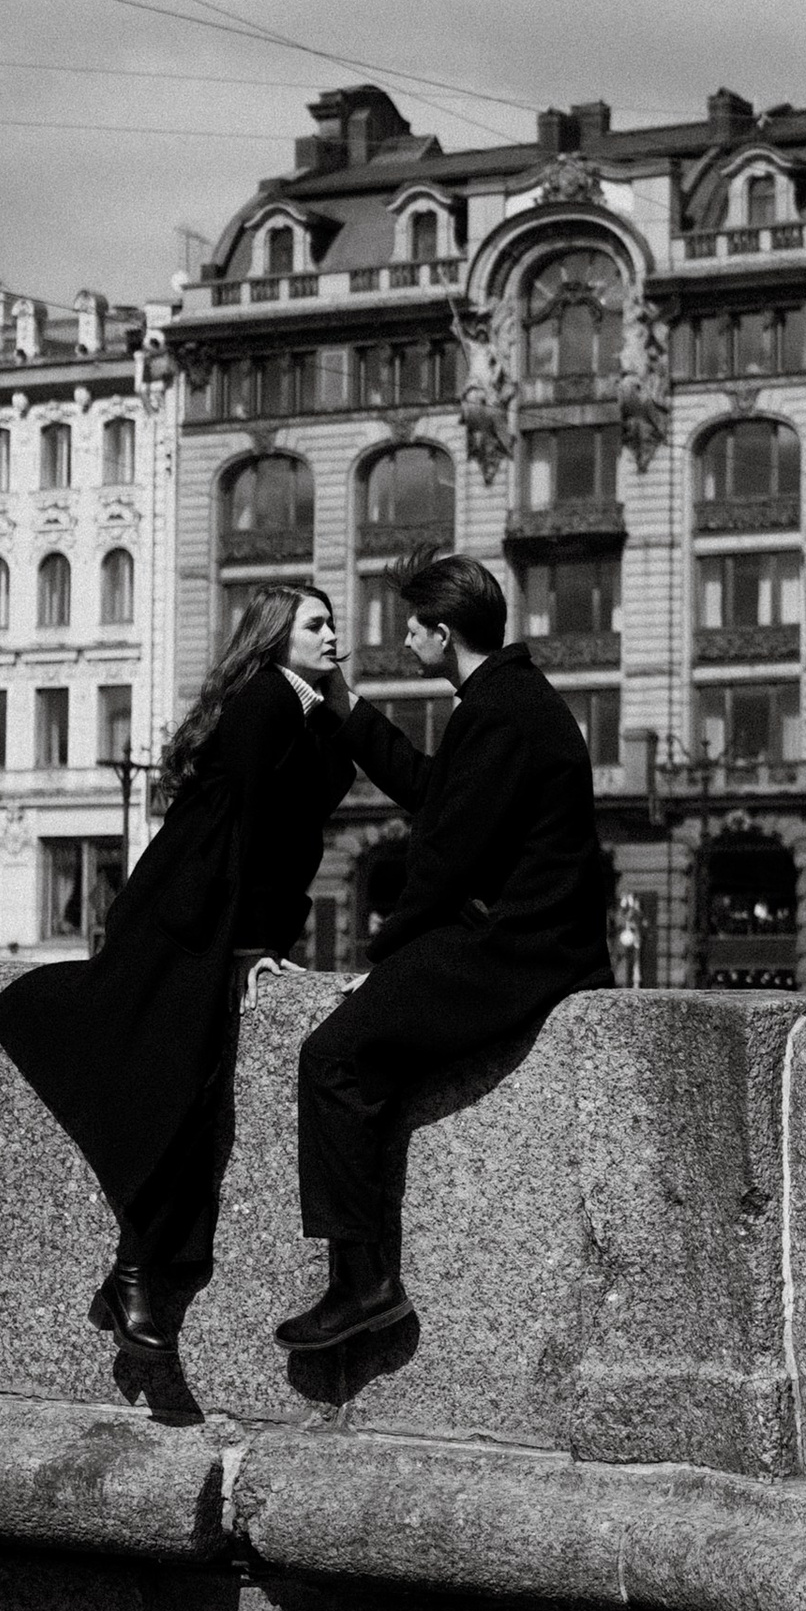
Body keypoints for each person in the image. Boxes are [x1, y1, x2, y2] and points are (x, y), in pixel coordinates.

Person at [0, 582, 352, 1423]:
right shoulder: (266, 701)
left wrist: (265, 937)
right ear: (276, 638)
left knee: (192, 1096)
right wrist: (256, 943)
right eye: (318, 625)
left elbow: (297, 832)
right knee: (175, 1088)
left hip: (217, 914)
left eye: (332, 624)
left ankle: (134, 1279)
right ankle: (137, 1278)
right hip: (192, 912)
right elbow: (260, 826)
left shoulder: (307, 708)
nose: (335, 636)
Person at [283, 551, 613, 1355]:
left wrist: (385, 955)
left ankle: (364, 1286)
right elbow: (436, 792)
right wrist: (346, 707)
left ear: (443, 631)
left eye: (412, 627)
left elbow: (446, 858)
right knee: (366, 1057)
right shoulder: (508, 699)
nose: (403, 638)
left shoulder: (499, 711)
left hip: (520, 950)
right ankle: (363, 1282)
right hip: (534, 942)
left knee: (333, 1057)